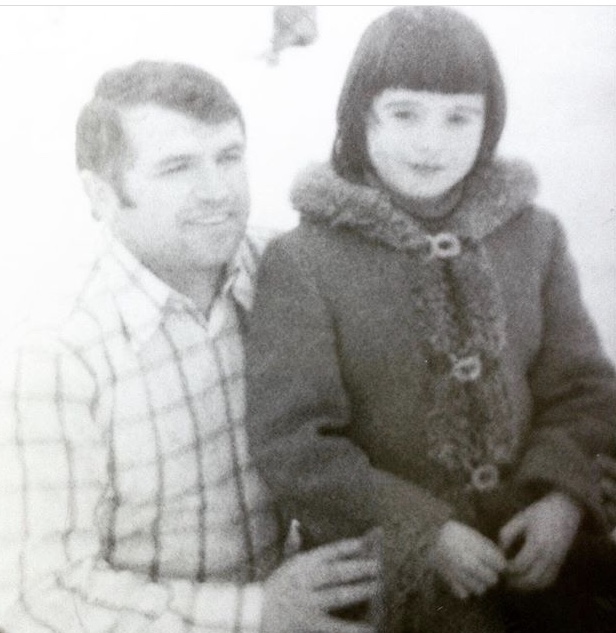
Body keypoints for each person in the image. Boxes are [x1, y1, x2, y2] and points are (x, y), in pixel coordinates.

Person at [245, 7, 616, 633]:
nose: (430, 142)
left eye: (458, 117)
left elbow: (582, 390)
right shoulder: (304, 261)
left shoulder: (534, 237)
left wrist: (561, 498)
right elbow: (296, 443)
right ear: (361, 116)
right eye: (405, 113)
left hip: (545, 560)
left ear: (488, 123)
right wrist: (424, 532)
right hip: (399, 581)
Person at [0, 60, 381, 633]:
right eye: (177, 168)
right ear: (101, 195)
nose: (218, 192)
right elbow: (38, 598)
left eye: (229, 157)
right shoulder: (55, 350)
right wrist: (256, 613)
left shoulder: (285, 270)